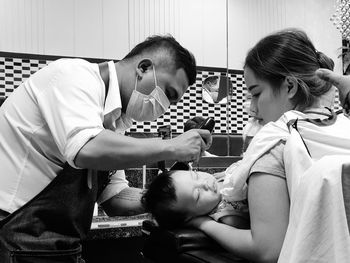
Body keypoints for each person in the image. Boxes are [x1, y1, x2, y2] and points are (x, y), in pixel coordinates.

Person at [0, 35, 212, 262]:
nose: (166, 107)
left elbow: (115, 198)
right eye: (168, 94)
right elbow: (87, 148)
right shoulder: (73, 76)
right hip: (19, 240)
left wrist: (170, 199)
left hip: (56, 246)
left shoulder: (115, 122)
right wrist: (171, 146)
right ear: (144, 68)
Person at [182, 29, 350, 262]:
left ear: (290, 86)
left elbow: (267, 250)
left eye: (256, 93)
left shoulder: (274, 142)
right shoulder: (344, 126)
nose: (252, 108)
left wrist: (202, 223)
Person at [141, 169, 250, 230]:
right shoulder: (226, 215)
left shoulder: (219, 179)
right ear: (192, 217)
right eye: (198, 195)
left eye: (196, 175)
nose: (204, 184)